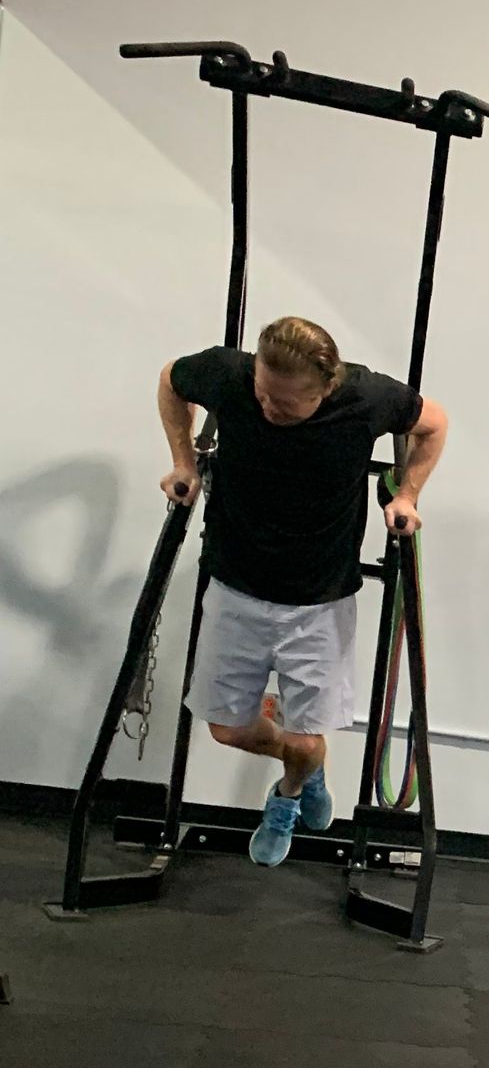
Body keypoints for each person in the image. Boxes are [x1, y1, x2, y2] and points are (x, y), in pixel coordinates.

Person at [159, 317, 448, 867]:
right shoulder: (228, 375)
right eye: (264, 393)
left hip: (320, 601)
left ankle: (289, 793)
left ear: (326, 388)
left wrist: (407, 495)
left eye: (287, 403)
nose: (270, 408)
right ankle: (308, 770)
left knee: (306, 739)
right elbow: (171, 380)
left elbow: (433, 423)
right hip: (234, 584)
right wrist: (182, 462)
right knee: (227, 729)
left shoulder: (364, 398)